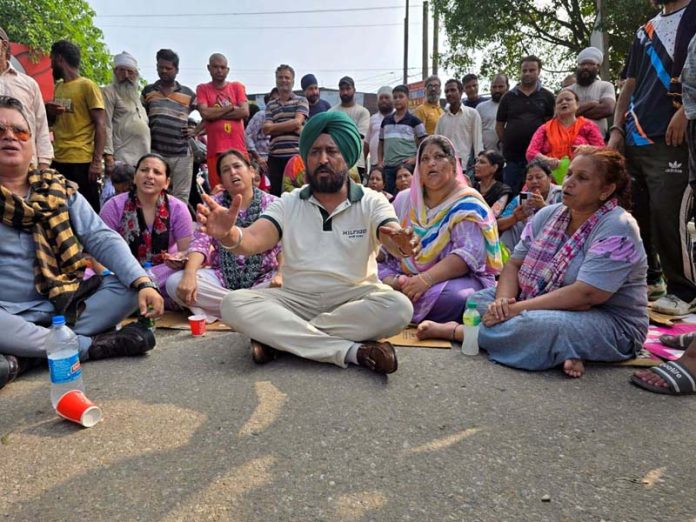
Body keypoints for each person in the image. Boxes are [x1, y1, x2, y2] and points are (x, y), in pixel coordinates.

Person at [198, 111, 419, 374]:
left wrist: (401, 243)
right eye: (314, 152)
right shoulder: (289, 202)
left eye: (331, 151)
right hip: (295, 299)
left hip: (355, 298)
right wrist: (229, 234)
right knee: (233, 304)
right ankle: (352, 352)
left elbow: (390, 233)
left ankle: (281, 340)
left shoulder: (372, 200)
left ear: (347, 156)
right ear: (306, 158)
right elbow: (254, 238)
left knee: (400, 308)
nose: (322, 159)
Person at [422, 147, 648, 379]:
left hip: (610, 320)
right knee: (478, 301)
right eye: (569, 174)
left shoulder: (618, 226)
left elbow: (587, 295)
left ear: (606, 190)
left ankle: (462, 333)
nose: (569, 183)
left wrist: (514, 309)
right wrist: (502, 303)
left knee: (537, 325)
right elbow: (513, 265)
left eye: (582, 178)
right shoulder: (549, 214)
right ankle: (565, 350)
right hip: (544, 302)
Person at [0, 96, 162, 390]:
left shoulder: (57, 188)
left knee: (133, 282)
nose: (10, 137)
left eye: (19, 131)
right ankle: (89, 346)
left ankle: (25, 357)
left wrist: (142, 283)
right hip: (7, 314)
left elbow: (99, 236)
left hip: (66, 305)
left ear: (33, 142)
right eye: (0, 132)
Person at [608, 0, 696, 315]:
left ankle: (684, 290)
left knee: (667, 212)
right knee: (634, 211)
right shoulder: (645, 31)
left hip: (672, 135)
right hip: (635, 135)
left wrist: (687, 110)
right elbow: (628, 84)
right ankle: (652, 278)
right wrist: (617, 128)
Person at [379, 135, 501, 324]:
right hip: (402, 273)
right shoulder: (405, 199)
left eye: (438, 157)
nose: (431, 164)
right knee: (364, 274)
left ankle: (396, 299)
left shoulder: (466, 203)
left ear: (453, 164)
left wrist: (425, 280)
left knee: (456, 298)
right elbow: (385, 247)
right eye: (425, 159)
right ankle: (397, 289)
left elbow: (468, 255)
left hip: (452, 279)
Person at [167, 150, 281, 321]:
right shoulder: (214, 204)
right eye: (226, 170)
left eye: (237, 166)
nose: (233, 172)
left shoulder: (274, 203)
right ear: (221, 180)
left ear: (251, 171)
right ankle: (249, 309)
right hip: (222, 280)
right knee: (174, 283)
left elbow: (284, 246)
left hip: (264, 278)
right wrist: (189, 274)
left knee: (291, 284)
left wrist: (281, 274)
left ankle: (234, 309)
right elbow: (200, 242)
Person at [99, 153, 193, 304]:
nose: (150, 176)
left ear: (167, 182)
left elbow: (188, 251)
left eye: (157, 172)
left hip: (162, 272)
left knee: (183, 278)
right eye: (144, 170)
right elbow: (100, 250)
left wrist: (180, 259)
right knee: (98, 278)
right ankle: (142, 296)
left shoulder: (178, 208)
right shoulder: (114, 206)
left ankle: (133, 299)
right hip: (122, 272)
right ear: (135, 177)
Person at [47, 40, 105, 211]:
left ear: (59, 59)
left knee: (86, 211)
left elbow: (101, 125)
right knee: (60, 210)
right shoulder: (57, 87)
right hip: (58, 159)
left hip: (82, 161)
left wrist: (96, 163)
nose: (50, 66)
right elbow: (52, 123)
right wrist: (49, 112)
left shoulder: (87, 86)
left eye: (51, 60)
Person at [141, 49, 197, 204]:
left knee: (180, 198)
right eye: (160, 67)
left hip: (181, 155)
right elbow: (140, 116)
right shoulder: (148, 91)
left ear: (177, 70)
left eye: (168, 68)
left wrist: (196, 130)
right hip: (155, 152)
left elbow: (207, 113)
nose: (163, 71)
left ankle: (179, 227)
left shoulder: (188, 94)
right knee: (154, 194)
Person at [496, 55, 555, 195]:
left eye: (532, 70)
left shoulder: (547, 96)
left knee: (536, 194)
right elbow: (499, 125)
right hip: (513, 158)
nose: (527, 73)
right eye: (524, 70)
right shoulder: (508, 97)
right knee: (511, 194)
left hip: (538, 158)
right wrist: (508, 142)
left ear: (539, 71)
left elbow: (550, 126)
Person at [0, 27, 53, 170]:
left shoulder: (28, 84)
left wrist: (43, 165)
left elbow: (41, 126)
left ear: (4, 45)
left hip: (27, 165)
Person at [197, 53, 249, 191]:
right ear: (209, 68)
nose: (219, 70)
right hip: (215, 150)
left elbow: (244, 112)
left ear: (228, 70)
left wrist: (215, 113)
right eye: (215, 67)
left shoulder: (237, 87)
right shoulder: (203, 88)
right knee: (219, 192)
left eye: (222, 67)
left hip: (239, 150)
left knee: (243, 189)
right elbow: (205, 113)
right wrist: (231, 107)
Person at [526, 89, 605, 167]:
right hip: (551, 175)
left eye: (568, 99)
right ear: (555, 108)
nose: (564, 102)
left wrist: (588, 149)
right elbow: (531, 152)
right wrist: (546, 160)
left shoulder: (588, 126)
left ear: (577, 105)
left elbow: (602, 151)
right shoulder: (545, 128)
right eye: (559, 101)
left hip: (581, 173)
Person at [263, 64, 309, 197]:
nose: (284, 80)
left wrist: (274, 128)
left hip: (296, 156)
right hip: (275, 158)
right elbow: (266, 129)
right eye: (280, 77)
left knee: (298, 194)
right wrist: (292, 126)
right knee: (276, 195)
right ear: (276, 80)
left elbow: (297, 122)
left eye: (287, 77)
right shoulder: (271, 105)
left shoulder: (301, 100)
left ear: (293, 81)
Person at [497, 159, 563, 252]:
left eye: (539, 177)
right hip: (526, 244)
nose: (534, 181)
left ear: (549, 178)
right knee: (513, 225)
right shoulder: (522, 198)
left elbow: (569, 224)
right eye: (530, 178)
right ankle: (505, 262)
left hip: (553, 242)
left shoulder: (560, 194)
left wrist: (544, 207)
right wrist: (514, 218)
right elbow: (497, 225)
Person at [102, 52, 150, 173]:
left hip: (141, 160)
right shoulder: (108, 92)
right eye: (122, 70)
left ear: (136, 75)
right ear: (114, 72)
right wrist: (108, 156)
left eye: (130, 72)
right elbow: (105, 125)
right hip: (121, 159)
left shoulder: (136, 98)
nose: (126, 75)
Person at [378, 85, 427, 194]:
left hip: (407, 168)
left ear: (407, 99)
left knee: (408, 197)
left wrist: (415, 158)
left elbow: (425, 144)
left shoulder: (415, 121)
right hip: (388, 168)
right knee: (389, 198)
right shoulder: (386, 121)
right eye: (395, 97)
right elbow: (381, 143)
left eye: (401, 97)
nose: (397, 100)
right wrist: (380, 161)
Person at [435, 78, 483, 170]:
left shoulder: (472, 114)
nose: (449, 94)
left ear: (461, 92)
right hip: (446, 168)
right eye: (447, 91)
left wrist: (478, 164)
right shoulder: (441, 119)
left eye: (453, 90)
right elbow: (437, 145)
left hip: (467, 167)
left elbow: (478, 143)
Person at [568, 47, 616, 137]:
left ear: (597, 67)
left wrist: (574, 112)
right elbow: (561, 114)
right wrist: (591, 104)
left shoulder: (606, 86)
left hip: (598, 141)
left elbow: (607, 109)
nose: (585, 67)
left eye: (590, 64)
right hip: (570, 141)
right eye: (582, 64)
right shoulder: (567, 90)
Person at [330, 76, 370, 178]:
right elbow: (328, 137)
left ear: (354, 90)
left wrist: (338, 133)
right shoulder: (331, 112)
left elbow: (360, 136)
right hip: (335, 161)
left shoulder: (363, 112)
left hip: (357, 162)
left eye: (348, 89)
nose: (345, 92)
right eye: (342, 89)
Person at [246, 88, 278, 177]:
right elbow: (248, 136)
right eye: (273, 100)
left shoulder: (284, 116)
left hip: (278, 158)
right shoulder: (261, 115)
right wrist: (258, 158)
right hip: (262, 160)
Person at [473, 150, 512, 218]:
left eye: (482, 162)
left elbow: (493, 215)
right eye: (477, 161)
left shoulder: (503, 191)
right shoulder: (472, 187)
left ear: (494, 168)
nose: (476, 165)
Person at [476, 74, 509, 153]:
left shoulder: (514, 106)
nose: (497, 90)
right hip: (486, 157)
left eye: (500, 87)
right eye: (494, 87)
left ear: (507, 87)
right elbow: (475, 133)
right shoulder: (480, 108)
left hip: (509, 156)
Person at [365, 86, 393, 173]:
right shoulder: (372, 119)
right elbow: (366, 144)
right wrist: (363, 165)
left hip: (395, 166)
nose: (384, 100)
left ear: (393, 99)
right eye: (381, 98)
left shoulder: (399, 117)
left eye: (387, 97)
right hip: (375, 165)